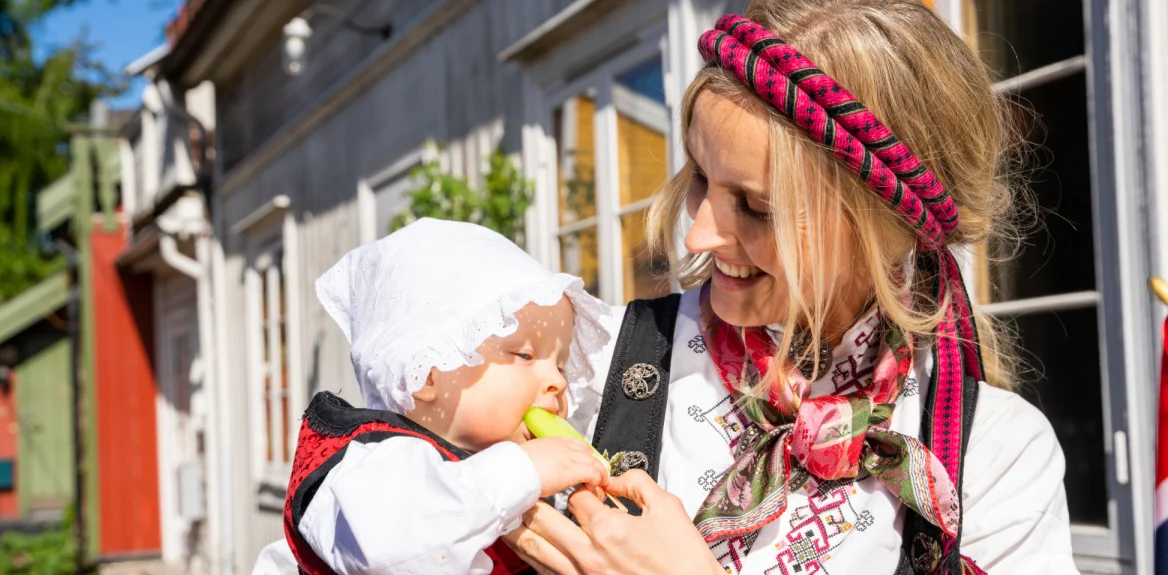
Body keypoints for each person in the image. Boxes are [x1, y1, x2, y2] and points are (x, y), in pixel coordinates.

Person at [505, 1, 1077, 573]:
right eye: (701, 177)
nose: (699, 235)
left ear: (885, 227)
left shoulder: (995, 453)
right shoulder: (583, 369)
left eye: (757, 208)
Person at [252, 218, 614, 575]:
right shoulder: (379, 462)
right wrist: (523, 470)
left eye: (562, 365)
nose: (558, 382)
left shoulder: (488, 475)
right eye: (525, 356)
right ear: (426, 374)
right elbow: (385, 549)